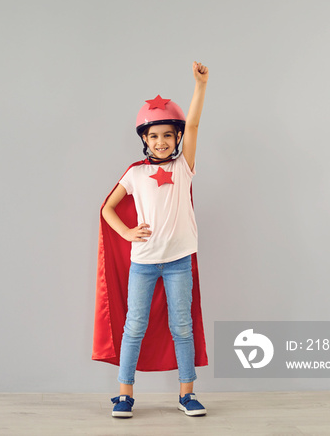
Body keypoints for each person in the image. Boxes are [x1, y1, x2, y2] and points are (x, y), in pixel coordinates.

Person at [99, 61, 209, 418]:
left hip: (178, 262)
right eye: (154, 136)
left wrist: (200, 86)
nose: (161, 142)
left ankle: (187, 393)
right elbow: (107, 209)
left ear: (176, 138)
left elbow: (193, 123)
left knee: (182, 326)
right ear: (144, 139)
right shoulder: (135, 173)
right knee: (135, 326)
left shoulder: (183, 168)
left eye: (167, 135)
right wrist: (128, 233)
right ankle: (125, 394)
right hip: (143, 263)